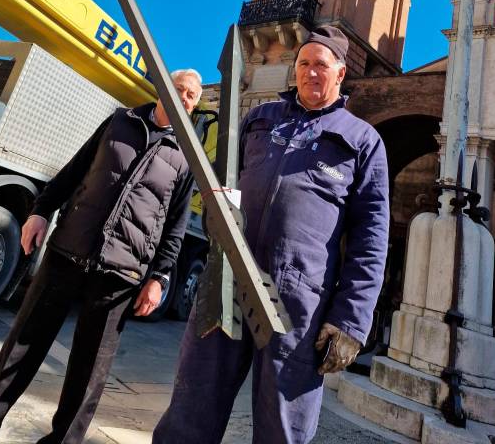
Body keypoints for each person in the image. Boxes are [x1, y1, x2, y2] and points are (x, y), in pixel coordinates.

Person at [153, 28, 389, 444]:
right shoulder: (259, 119)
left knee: (282, 427)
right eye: (303, 64)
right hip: (225, 281)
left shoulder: (362, 141)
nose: (310, 72)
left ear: (339, 74)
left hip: (298, 303)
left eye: (321, 65)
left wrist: (351, 320)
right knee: (190, 410)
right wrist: (216, 208)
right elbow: (220, 184)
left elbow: (372, 238)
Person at [0, 69, 203, 444]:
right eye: (179, 89)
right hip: (67, 251)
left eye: (191, 97)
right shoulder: (121, 120)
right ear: (163, 89)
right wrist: (41, 210)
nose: (183, 99)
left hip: (120, 275)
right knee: (19, 351)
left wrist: (160, 276)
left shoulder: (187, 158)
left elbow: (176, 226)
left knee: (88, 377)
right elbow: (75, 169)